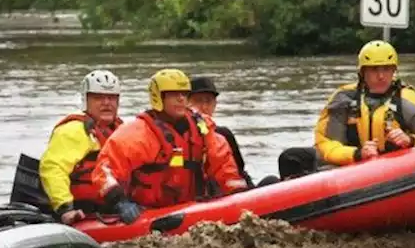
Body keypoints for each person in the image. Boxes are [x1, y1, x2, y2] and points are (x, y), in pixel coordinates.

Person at [90, 68, 247, 225]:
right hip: (147, 212)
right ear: (159, 97)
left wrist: (238, 195)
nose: (180, 99)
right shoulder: (137, 133)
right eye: (173, 94)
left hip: (192, 207)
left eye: (184, 94)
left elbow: (224, 166)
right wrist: (120, 202)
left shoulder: (202, 128)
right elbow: (104, 171)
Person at [313, 39, 415, 168]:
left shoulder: (410, 103)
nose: (381, 76)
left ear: (394, 71)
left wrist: (411, 141)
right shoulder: (343, 99)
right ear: (363, 73)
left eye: (386, 69)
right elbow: (326, 145)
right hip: (352, 170)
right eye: (374, 69)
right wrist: (357, 154)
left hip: (398, 170)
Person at [39, 69, 124, 224]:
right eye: (98, 98)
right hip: (82, 212)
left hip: (114, 207)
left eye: (111, 98)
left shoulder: (121, 129)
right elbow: (53, 168)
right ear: (86, 100)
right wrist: (66, 208)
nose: (106, 103)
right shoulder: (74, 130)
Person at [187, 75, 255, 190]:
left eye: (208, 101)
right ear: (186, 103)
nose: (204, 107)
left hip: (226, 193)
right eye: (198, 101)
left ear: (215, 104)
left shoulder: (224, 134)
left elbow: (240, 171)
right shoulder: (179, 134)